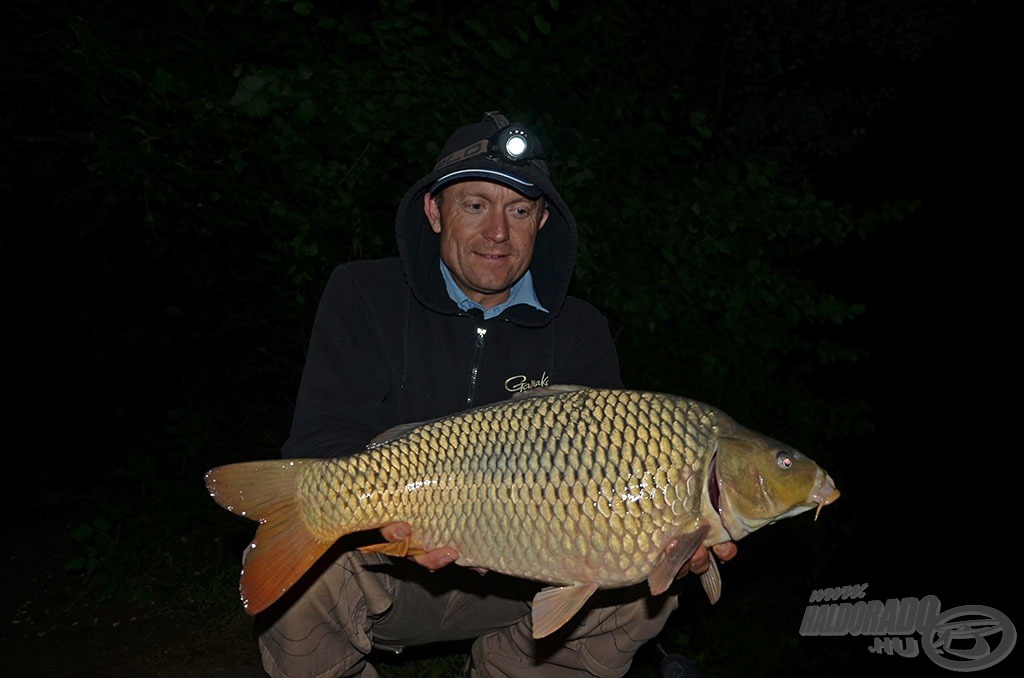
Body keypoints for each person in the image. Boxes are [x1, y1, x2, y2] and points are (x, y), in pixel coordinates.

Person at [257, 111, 737, 677]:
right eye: (475, 205)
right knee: (307, 568)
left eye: (519, 210)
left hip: (525, 581)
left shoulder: (581, 331)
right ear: (435, 212)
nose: (498, 234)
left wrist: (660, 544)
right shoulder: (364, 294)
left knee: (638, 594)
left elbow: (608, 479)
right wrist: (393, 525)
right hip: (395, 569)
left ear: (542, 220)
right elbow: (319, 438)